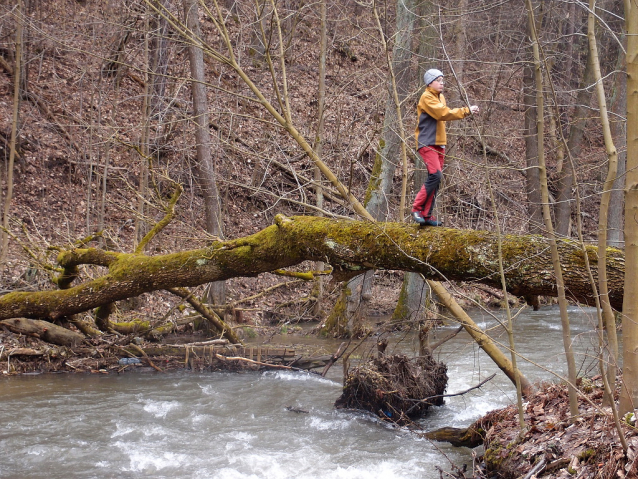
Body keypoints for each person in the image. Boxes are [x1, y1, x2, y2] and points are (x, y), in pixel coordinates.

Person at [411, 69, 479, 226]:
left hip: (439, 143)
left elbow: (444, 115)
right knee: (435, 175)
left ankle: (427, 215)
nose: (442, 83)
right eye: (439, 80)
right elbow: (443, 113)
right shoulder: (426, 97)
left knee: (437, 179)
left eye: (443, 80)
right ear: (430, 83)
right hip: (426, 142)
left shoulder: (440, 96)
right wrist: (466, 110)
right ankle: (416, 209)